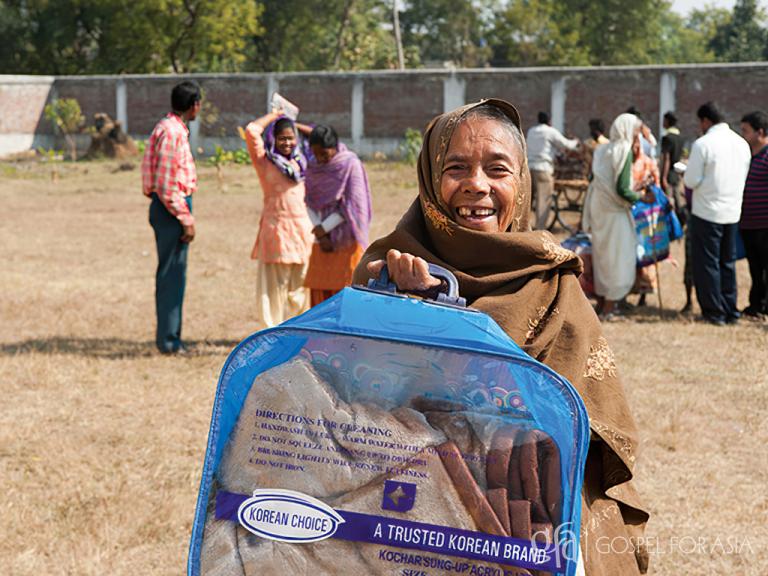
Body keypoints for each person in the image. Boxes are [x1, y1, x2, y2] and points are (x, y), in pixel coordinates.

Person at [353, 100, 649, 576]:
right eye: (456, 168)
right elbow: (344, 410)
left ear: (522, 182)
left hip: (525, 523)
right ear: (430, 180)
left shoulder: (552, 284)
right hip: (400, 522)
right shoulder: (385, 270)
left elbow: (598, 423)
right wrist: (399, 310)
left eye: (497, 169)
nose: (477, 184)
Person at [141, 81, 201, 355]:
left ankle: (171, 336)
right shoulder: (171, 131)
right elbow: (165, 184)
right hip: (171, 208)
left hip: (170, 206)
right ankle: (168, 341)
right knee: (171, 276)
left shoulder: (170, 128)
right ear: (194, 105)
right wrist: (184, 217)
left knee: (175, 274)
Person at [244, 110, 314, 327]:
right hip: (276, 232)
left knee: (303, 287)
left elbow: (319, 135)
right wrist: (274, 116)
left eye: (290, 138)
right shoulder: (265, 161)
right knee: (273, 289)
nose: (286, 143)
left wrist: (294, 123)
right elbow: (251, 131)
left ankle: (299, 331)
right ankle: (271, 332)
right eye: (281, 138)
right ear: (273, 139)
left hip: (303, 232)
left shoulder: (303, 162)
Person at [684, 102, 751, 326]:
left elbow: (691, 180)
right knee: (727, 262)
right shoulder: (741, 143)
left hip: (707, 211)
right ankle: (730, 309)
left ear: (705, 121)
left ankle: (714, 312)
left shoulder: (703, 144)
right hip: (732, 211)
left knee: (707, 264)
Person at [583, 113, 654, 319]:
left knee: (603, 256)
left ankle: (604, 302)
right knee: (618, 258)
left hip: (599, 208)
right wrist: (641, 195)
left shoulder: (602, 150)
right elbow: (623, 189)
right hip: (614, 211)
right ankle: (610, 308)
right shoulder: (623, 150)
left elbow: (594, 178)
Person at [303, 125, 372, 305]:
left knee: (346, 291)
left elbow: (353, 205)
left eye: (324, 154)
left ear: (334, 147)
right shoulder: (312, 166)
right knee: (319, 291)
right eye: (315, 154)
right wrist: (321, 233)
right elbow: (309, 200)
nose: (320, 159)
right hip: (321, 240)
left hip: (346, 239)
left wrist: (324, 229)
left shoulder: (350, 165)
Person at [526, 111, 580, 230]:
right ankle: (539, 230)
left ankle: (523, 227)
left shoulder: (531, 131)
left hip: (529, 168)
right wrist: (575, 141)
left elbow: (547, 148)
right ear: (549, 121)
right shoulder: (550, 131)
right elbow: (567, 145)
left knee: (527, 201)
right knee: (543, 201)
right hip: (543, 169)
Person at [739, 110, 768, 320]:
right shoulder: (747, 156)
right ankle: (755, 304)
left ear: (760, 132)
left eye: (745, 131)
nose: (742, 135)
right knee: (755, 268)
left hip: (765, 223)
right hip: (748, 223)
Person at [630, 136, 661, 305]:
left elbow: (656, 189)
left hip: (646, 215)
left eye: (636, 144)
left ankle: (644, 293)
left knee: (646, 254)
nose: (634, 147)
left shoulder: (649, 163)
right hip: (628, 214)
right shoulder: (624, 164)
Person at [660, 112, 685, 221]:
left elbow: (667, 159)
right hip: (677, 173)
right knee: (677, 199)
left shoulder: (667, 138)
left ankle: (672, 224)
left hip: (668, 173)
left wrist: (663, 178)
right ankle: (681, 222)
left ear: (667, 122)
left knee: (669, 201)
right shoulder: (680, 138)